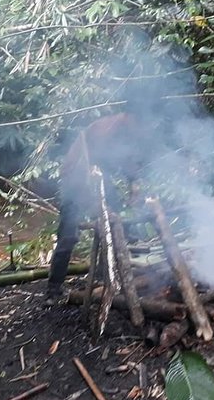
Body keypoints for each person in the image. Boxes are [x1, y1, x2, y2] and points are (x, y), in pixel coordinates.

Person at [44, 108, 155, 306]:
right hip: (76, 179)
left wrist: (134, 187)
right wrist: (98, 205)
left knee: (116, 223)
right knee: (69, 235)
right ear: (129, 116)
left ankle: (107, 275)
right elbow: (85, 173)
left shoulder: (127, 132)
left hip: (101, 178)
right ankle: (53, 290)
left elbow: (128, 162)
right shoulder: (104, 131)